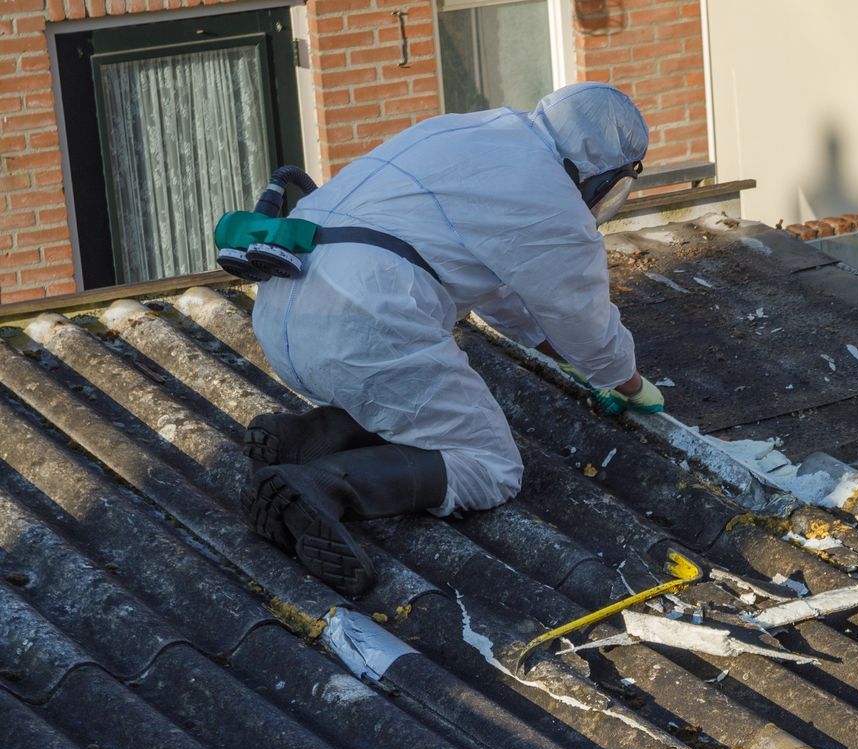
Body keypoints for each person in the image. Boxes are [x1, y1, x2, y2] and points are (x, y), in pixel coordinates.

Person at [245, 82, 663, 597]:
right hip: (366, 325)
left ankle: (308, 437)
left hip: (282, 308)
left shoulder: (465, 130)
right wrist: (628, 382)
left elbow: (501, 289)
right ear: (603, 172)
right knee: (491, 467)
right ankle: (325, 486)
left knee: (407, 398)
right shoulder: (551, 199)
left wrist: (559, 354)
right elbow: (581, 316)